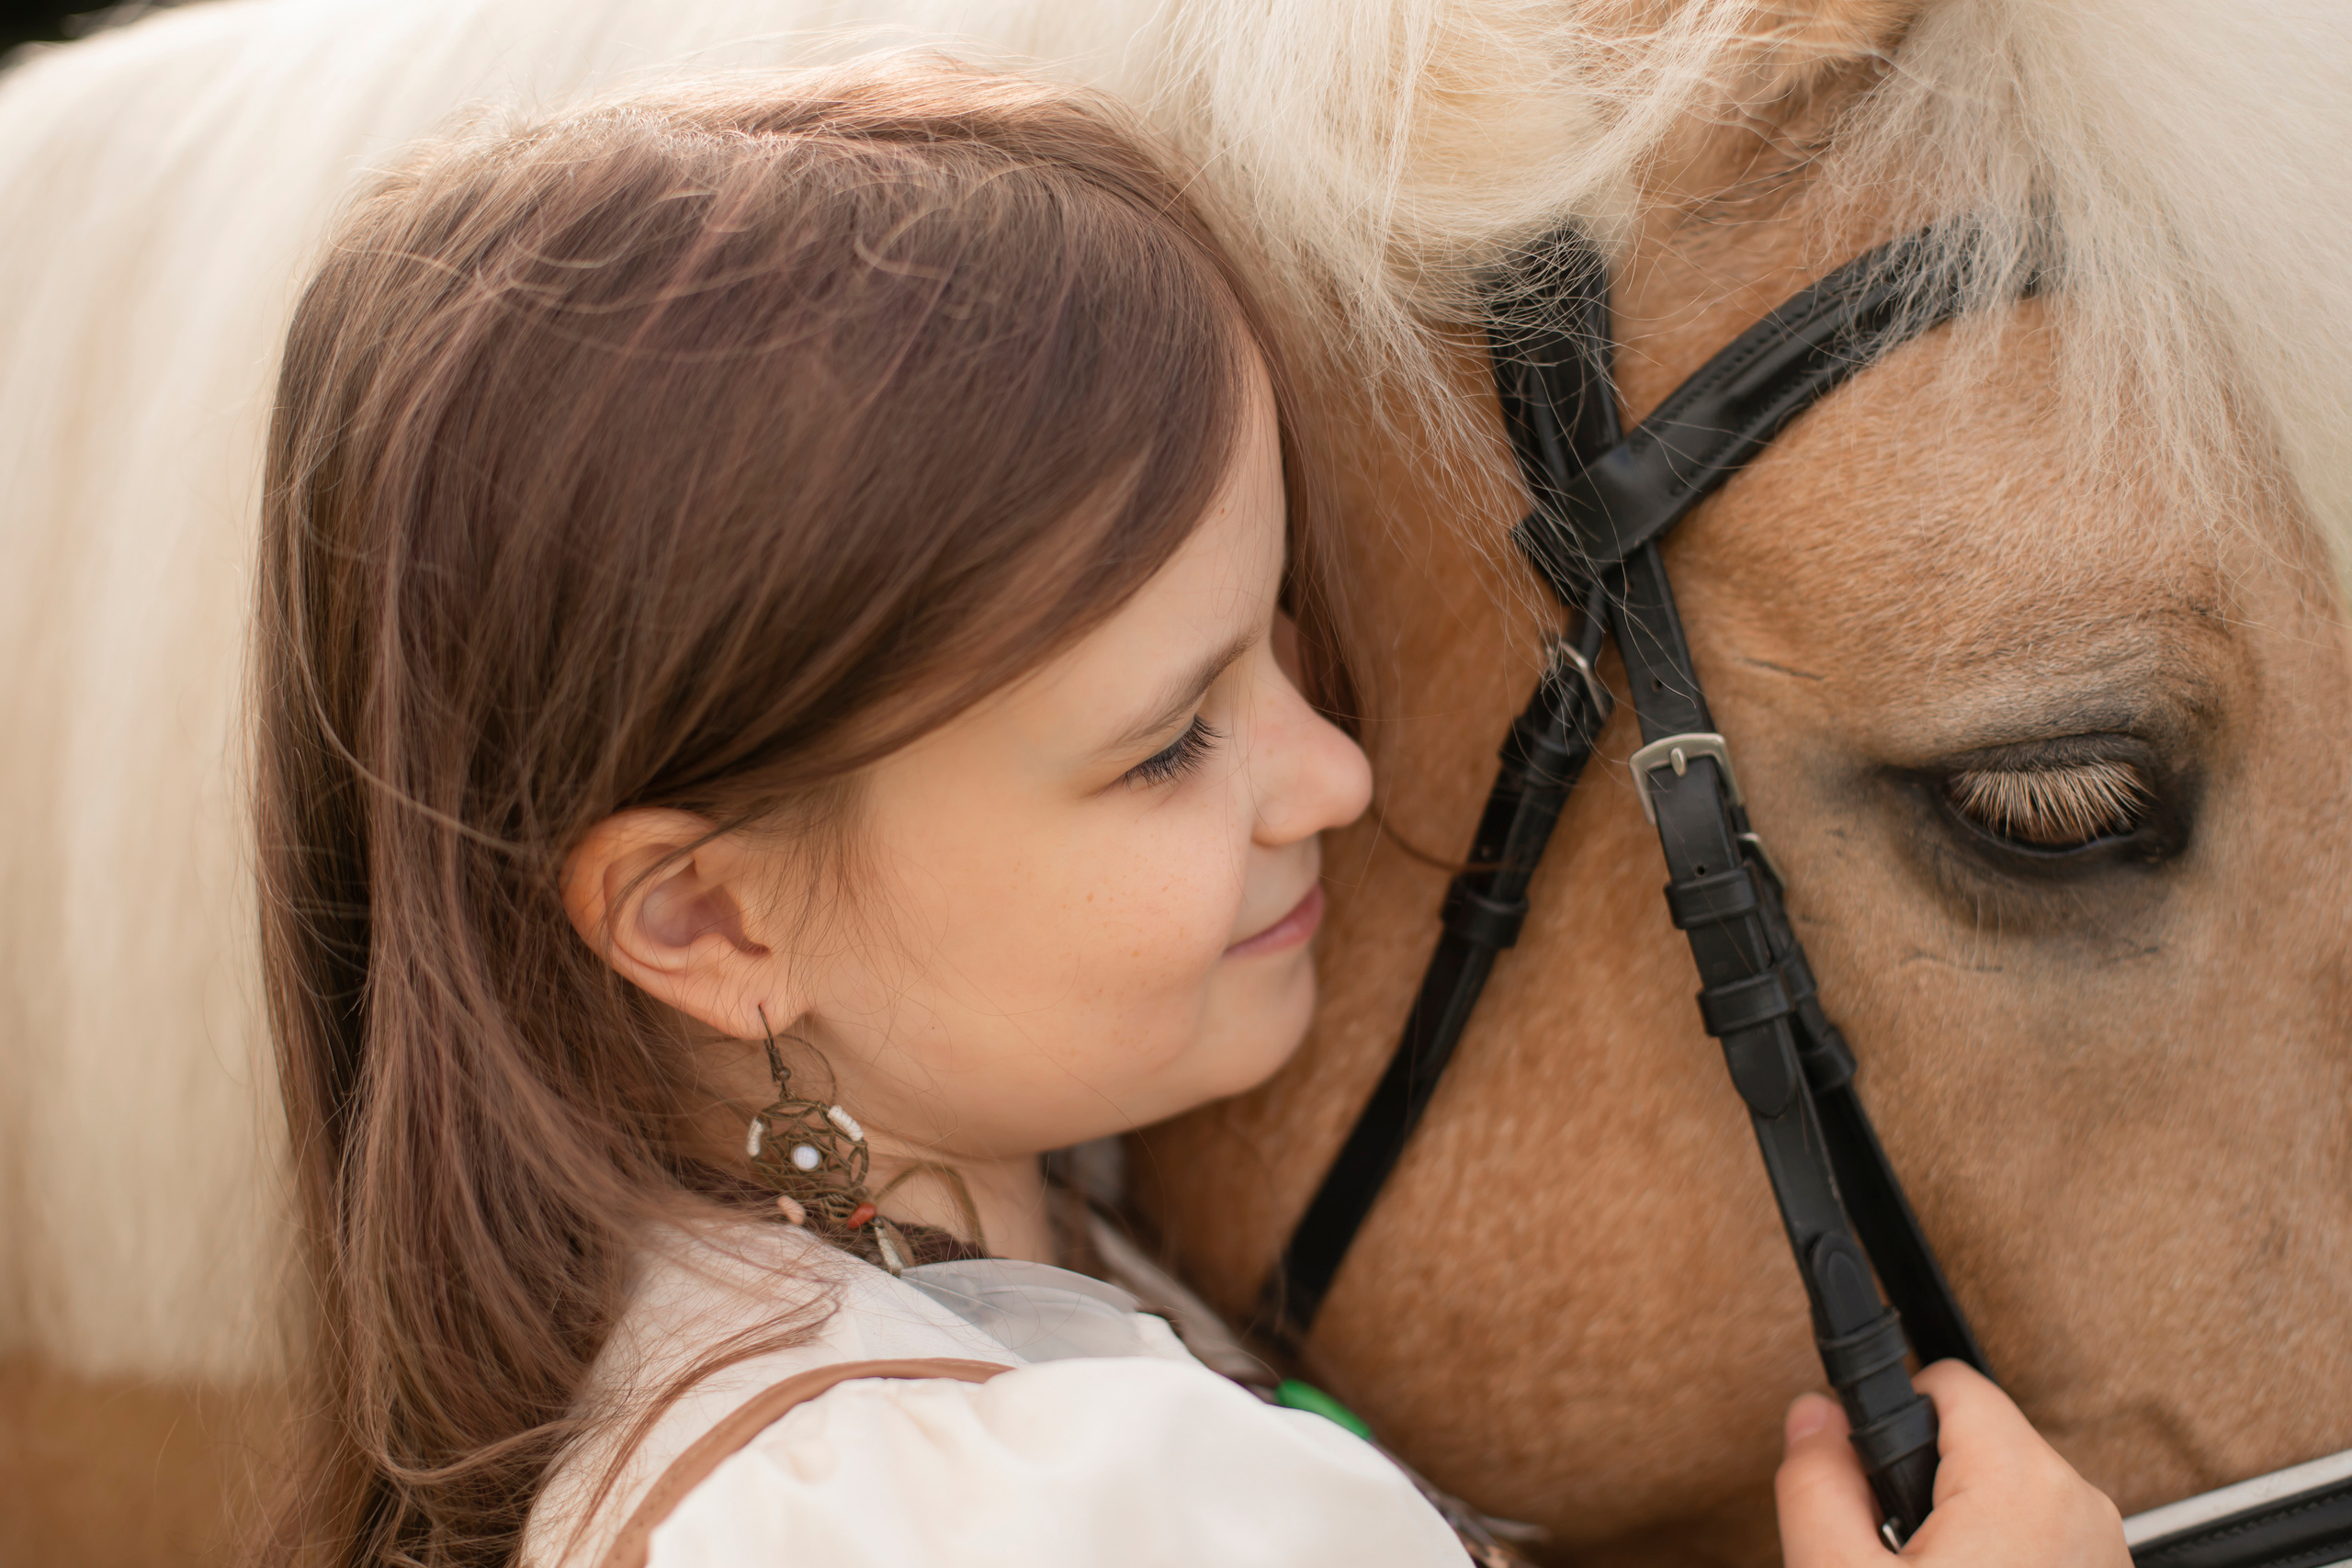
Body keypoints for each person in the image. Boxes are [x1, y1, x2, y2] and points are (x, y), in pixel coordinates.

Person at [250, 58, 2130, 1568]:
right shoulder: (1081, 1514)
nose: (1333, 776)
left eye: (1278, 644)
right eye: (1166, 745)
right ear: (712, 921)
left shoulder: (721, 1394)